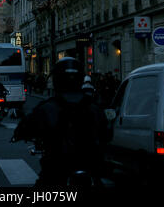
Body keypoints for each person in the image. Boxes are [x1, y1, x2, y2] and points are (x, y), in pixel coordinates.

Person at [12, 57, 109, 187]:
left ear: (57, 80)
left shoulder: (46, 108)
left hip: (57, 170)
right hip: (90, 170)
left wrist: (20, 133)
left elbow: (24, 130)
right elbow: (107, 134)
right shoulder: (94, 108)